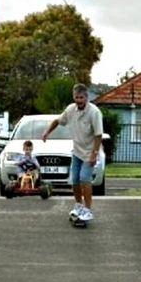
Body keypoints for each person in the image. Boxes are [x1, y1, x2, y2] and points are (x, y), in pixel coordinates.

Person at [42, 83, 103, 222]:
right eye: (76, 97)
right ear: (73, 97)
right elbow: (58, 121)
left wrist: (94, 153)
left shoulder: (94, 112)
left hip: (89, 152)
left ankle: (88, 210)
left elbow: (98, 135)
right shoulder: (70, 109)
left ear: (86, 97)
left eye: (81, 98)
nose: (79, 101)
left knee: (84, 178)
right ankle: (78, 206)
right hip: (77, 152)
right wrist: (47, 132)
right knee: (74, 180)